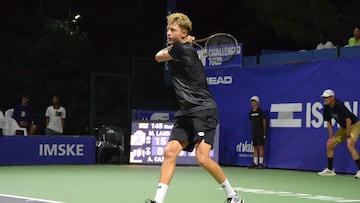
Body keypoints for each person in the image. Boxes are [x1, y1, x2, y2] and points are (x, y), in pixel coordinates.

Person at [145, 13, 243, 203]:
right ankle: (158, 201)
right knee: (170, 152)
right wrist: (184, 42)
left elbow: (158, 57)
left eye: (173, 30)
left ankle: (234, 196)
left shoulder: (181, 49)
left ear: (184, 33)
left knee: (202, 158)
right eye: (167, 29)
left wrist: (182, 44)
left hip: (203, 110)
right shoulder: (182, 48)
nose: (168, 33)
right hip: (186, 112)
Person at [318, 89, 360, 178]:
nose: (325, 99)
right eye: (324, 98)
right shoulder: (326, 107)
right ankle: (330, 170)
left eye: (326, 97)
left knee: (350, 144)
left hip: (354, 125)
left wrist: (348, 136)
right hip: (343, 127)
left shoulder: (339, 105)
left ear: (332, 97)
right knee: (330, 144)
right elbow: (328, 123)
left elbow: (348, 121)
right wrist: (330, 137)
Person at [248, 96, 266, 169]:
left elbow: (264, 122)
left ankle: (261, 163)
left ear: (257, 102)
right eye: (252, 102)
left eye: (254, 101)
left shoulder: (260, 111)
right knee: (255, 147)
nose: (253, 103)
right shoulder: (250, 112)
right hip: (254, 132)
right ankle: (255, 163)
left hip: (260, 132)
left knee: (261, 147)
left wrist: (264, 132)